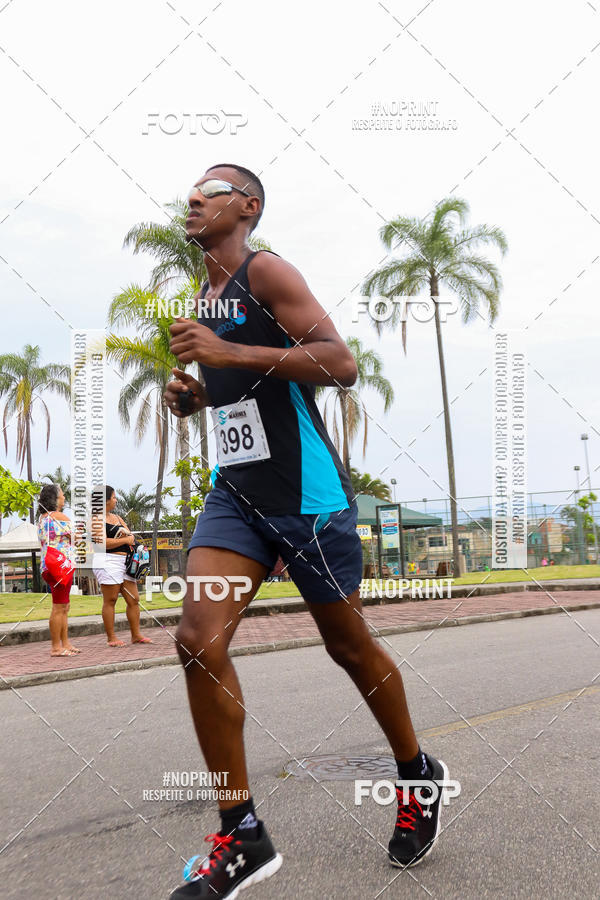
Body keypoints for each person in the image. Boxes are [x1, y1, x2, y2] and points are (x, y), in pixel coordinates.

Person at [164, 164, 449, 898]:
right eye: (190, 189)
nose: (193, 197)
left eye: (211, 189)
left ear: (247, 206)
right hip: (237, 497)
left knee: (348, 646)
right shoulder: (205, 296)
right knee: (197, 641)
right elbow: (244, 390)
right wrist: (198, 396)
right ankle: (241, 834)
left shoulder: (266, 272)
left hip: (307, 499)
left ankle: (416, 773)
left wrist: (228, 353)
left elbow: (340, 364)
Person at [92, 485, 153, 647]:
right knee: (111, 599)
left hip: (125, 562)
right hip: (107, 560)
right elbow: (101, 543)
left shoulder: (117, 518)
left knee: (134, 599)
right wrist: (124, 539)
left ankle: (136, 635)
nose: (116, 500)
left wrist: (127, 538)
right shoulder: (95, 519)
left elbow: (131, 536)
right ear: (105, 500)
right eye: (113, 497)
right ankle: (111, 638)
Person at [37, 483, 79, 657]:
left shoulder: (43, 518)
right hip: (60, 566)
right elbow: (76, 538)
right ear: (55, 498)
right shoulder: (60, 517)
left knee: (64, 605)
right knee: (59, 607)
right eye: (61, 494)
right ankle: (56, 647)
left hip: (49, 565)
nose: (64, 497)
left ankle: (65, 643)